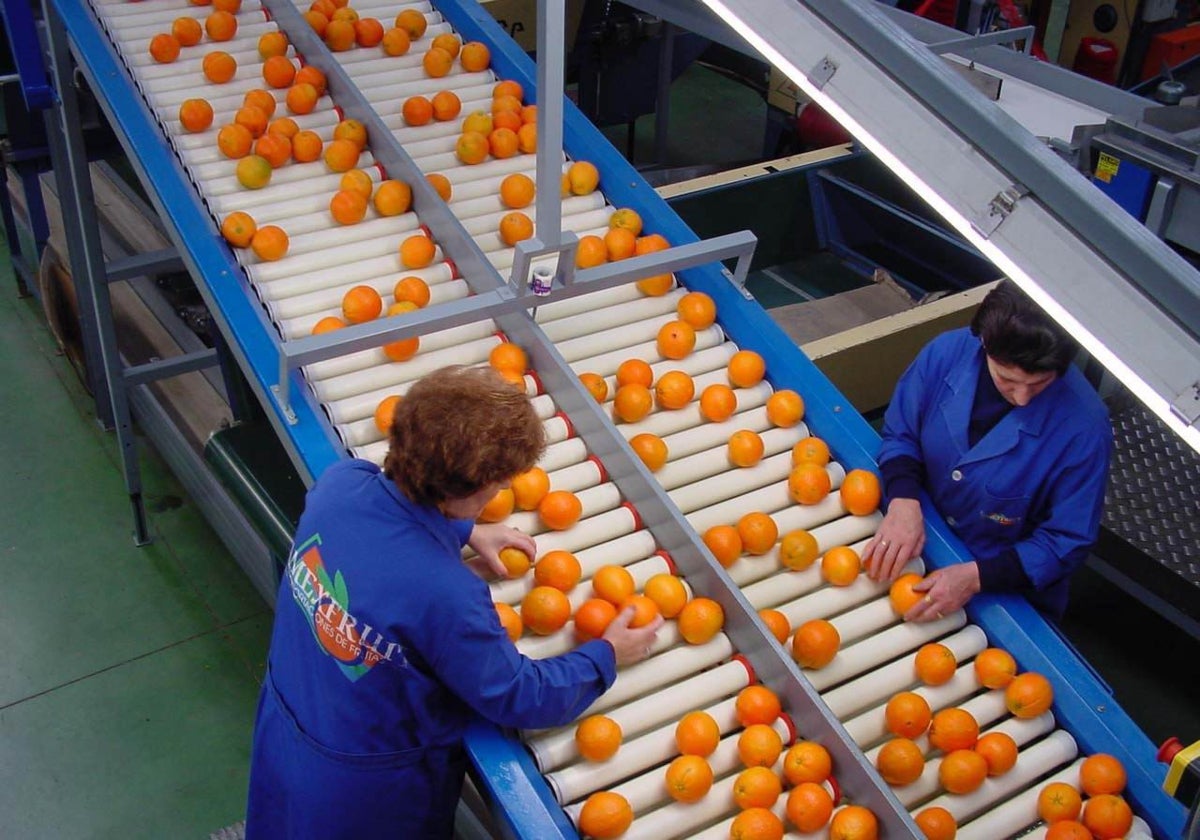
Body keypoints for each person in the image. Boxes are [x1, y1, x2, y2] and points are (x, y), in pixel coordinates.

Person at [245, 365, 662, 838]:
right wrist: (605, 655)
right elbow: (519, 695)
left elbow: (378, 537)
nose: (502, 492)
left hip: (288, 726)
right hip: (367, 790)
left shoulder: (342, 483)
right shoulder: (448, 594)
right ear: (470, 489)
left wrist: (461, 530)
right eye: (499, 485)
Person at [862, 279, 1112, 621]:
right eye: (1007, 380)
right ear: (984, 346)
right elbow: (902, 433)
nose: (1022, 397)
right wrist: (904, 499)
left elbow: (1065, 540)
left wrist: (977, 578)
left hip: (1000, 586)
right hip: (915, 533)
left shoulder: (1084, 428)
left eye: (1039, 384)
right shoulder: (945, 355)